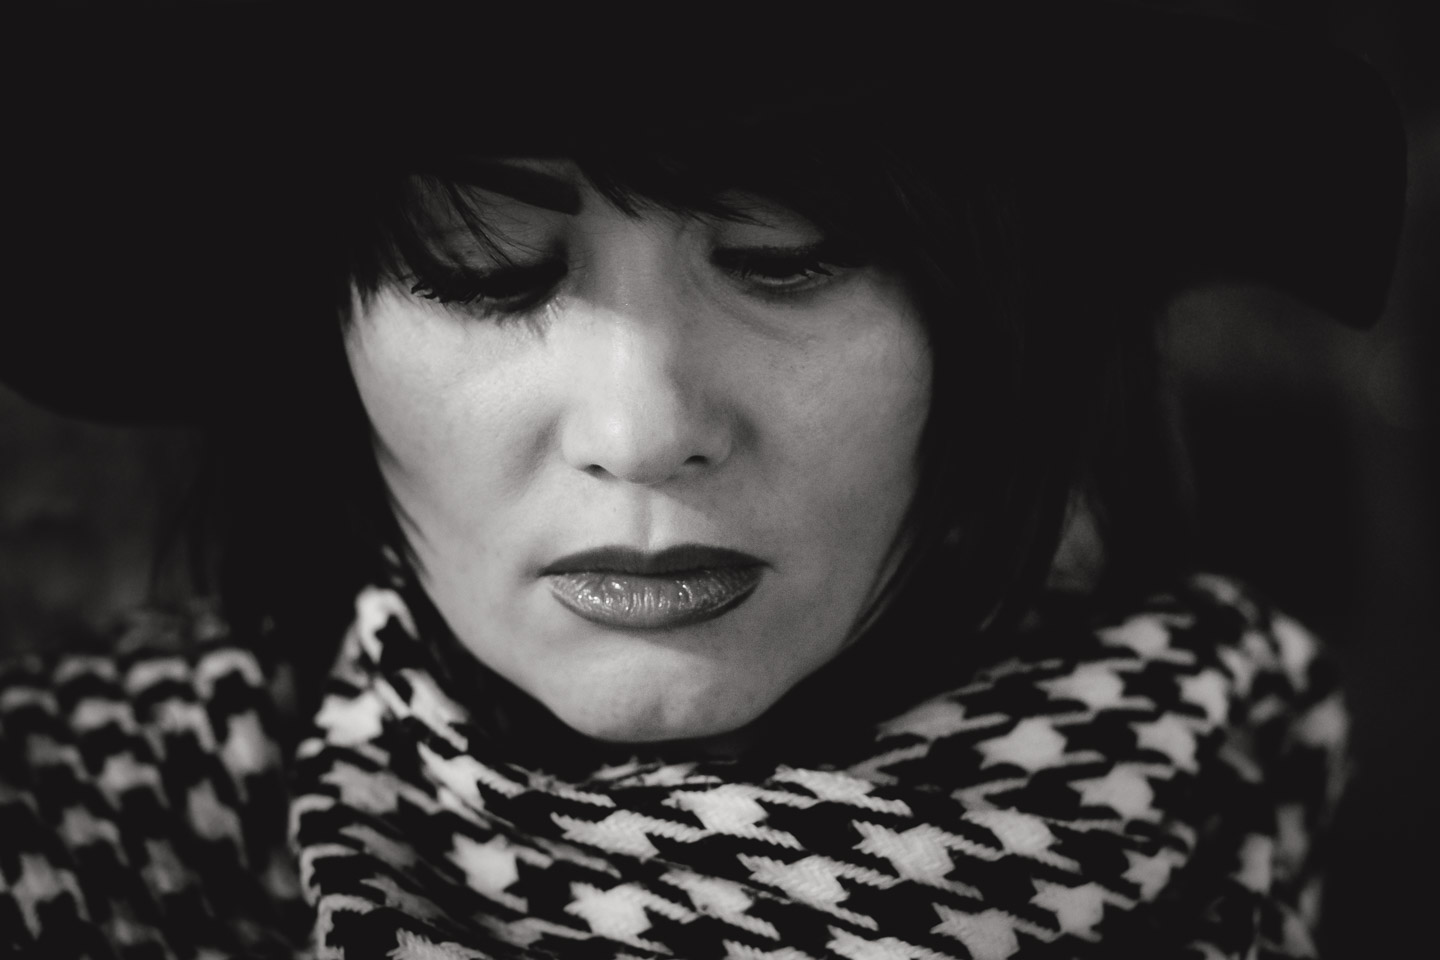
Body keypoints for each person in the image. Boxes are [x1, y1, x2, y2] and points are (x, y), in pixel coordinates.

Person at [0, 5, 1406, 958]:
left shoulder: (1328, 828)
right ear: (330, 342)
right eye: (486, 270)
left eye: (785, 257)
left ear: (992, 326)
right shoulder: (74, 823)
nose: (643, 426)